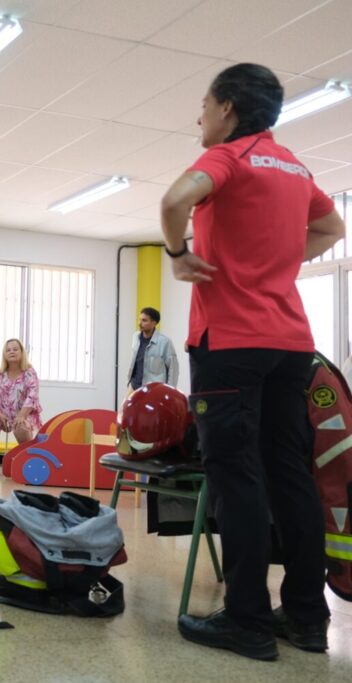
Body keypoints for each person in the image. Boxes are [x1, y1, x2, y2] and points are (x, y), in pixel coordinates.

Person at [162, 63, 345, 661]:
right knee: (290, 476)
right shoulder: (293, 166)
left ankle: (246, 620)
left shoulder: (230, 157)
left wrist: (178, 253)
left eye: (204, 105)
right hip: (291, 345)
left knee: (236, 480)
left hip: (231, 345)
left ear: (229, 109)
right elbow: (332, 228)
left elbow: (175, 199)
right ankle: (307, 617)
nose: (199, 117)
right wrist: (279, 263)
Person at [0, 339, 42, 476]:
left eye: (15, 349)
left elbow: (32, 396)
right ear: (4, 354)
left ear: (21, 352)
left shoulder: (30, 372)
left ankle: (27, 462)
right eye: (8, 350)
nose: (12, 352)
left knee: (21, 428)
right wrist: (0, 416)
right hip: (1, 414)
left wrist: (21, 416)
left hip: (23, 414)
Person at [126, 307, 179, 392]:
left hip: (154, 390)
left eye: (144, 320)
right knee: (124, 402)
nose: (139, 323)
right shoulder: (136, 337)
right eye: (139, 320)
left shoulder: (165, 342)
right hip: (134, 386)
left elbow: (173, 369)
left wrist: (170, 391)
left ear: (154, 323)